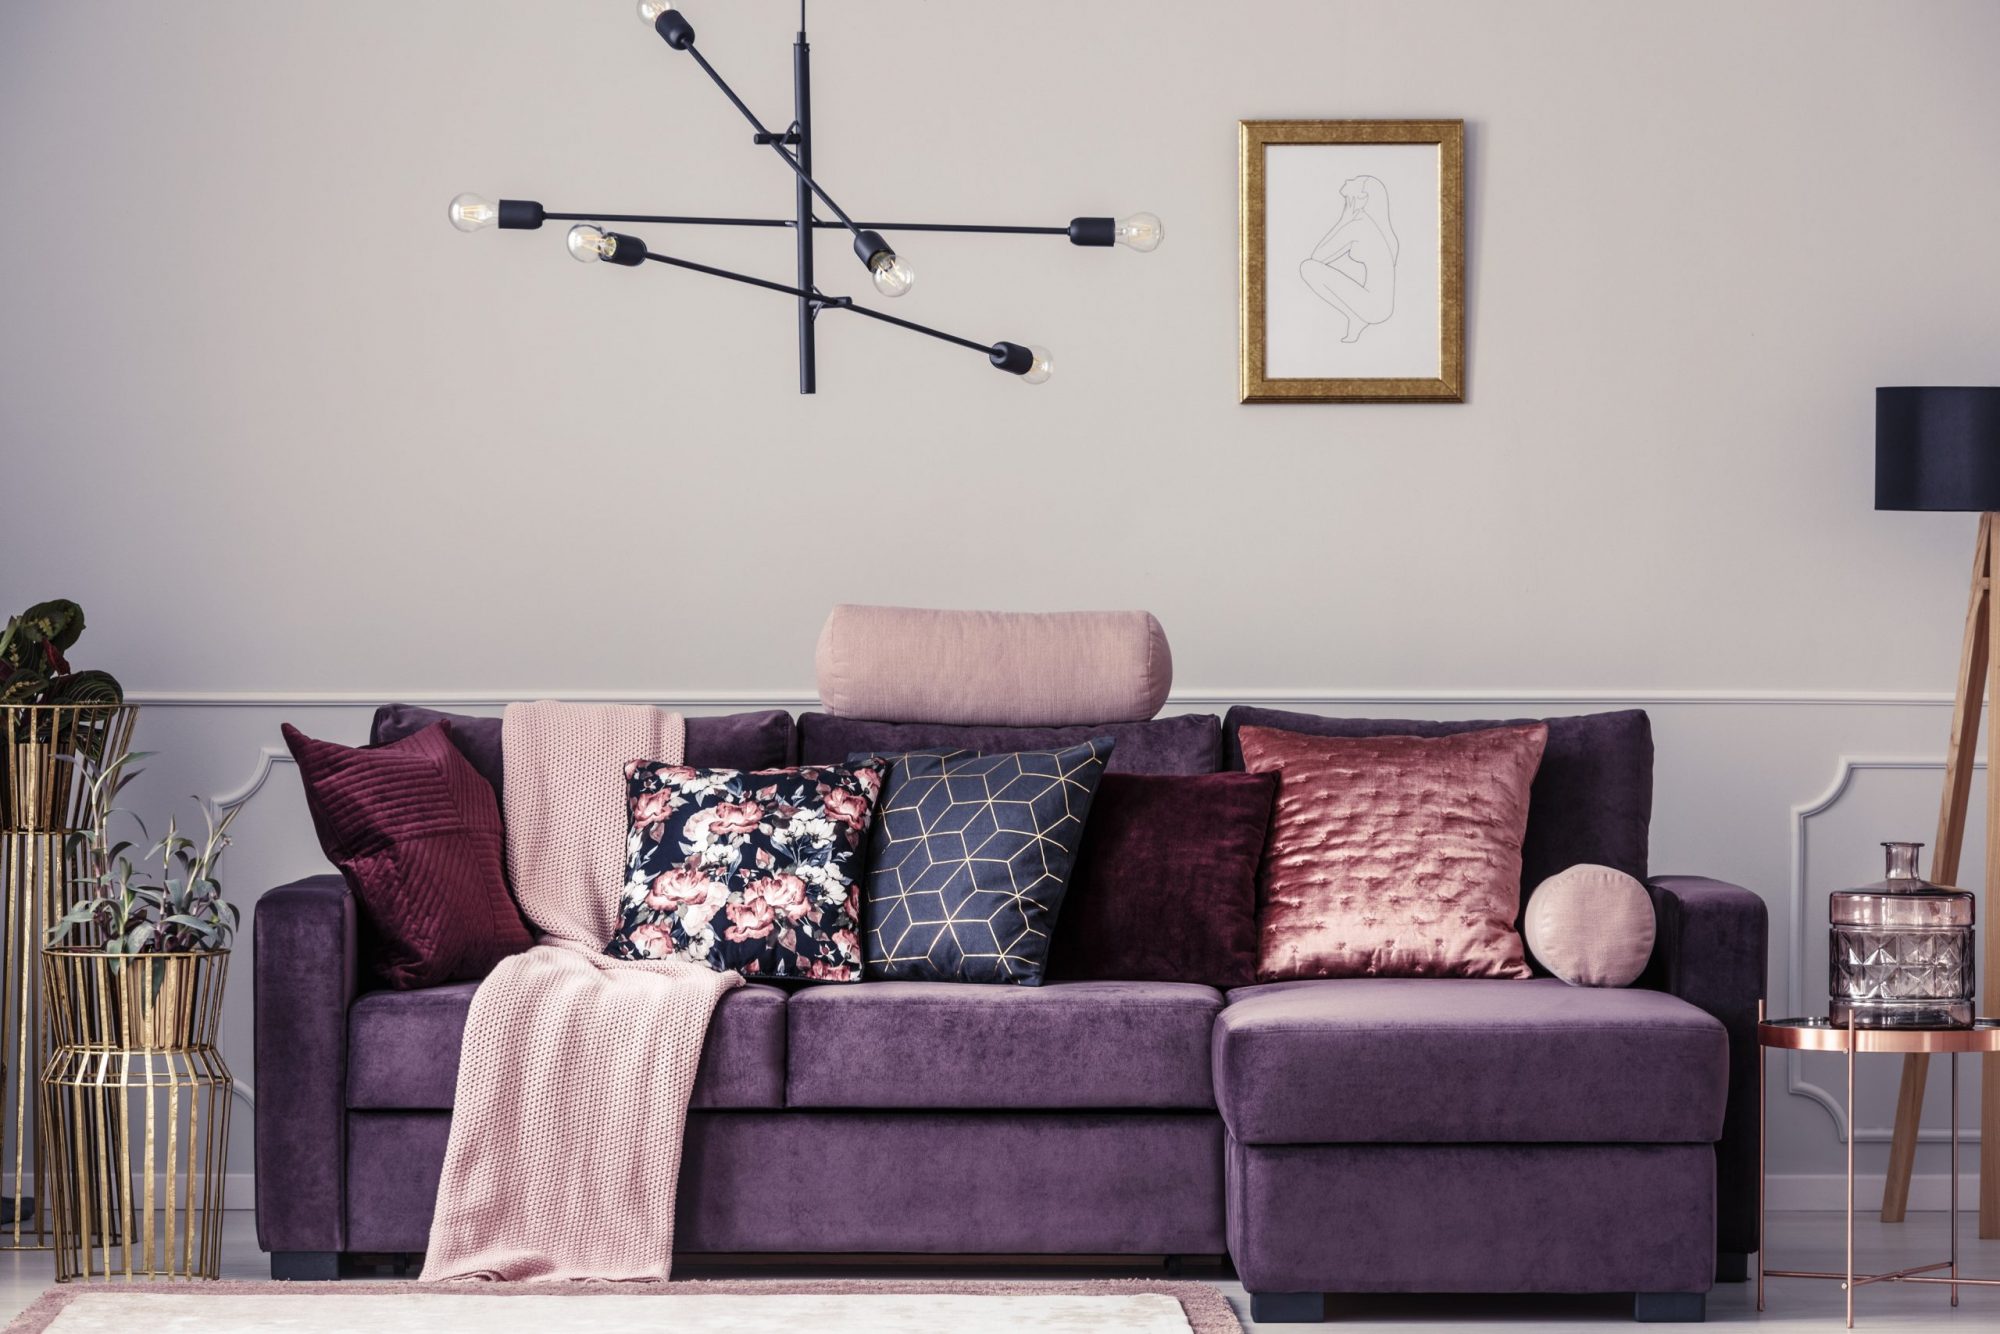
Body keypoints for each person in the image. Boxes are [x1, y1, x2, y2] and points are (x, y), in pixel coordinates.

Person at [1299, 174, 1398, 343]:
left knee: (1308, 267)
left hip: (1374, 306)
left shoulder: (1358, 226)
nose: (1347, 180)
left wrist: (1343, 220)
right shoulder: (1371, 225)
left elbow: (1317, 258)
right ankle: (1356, 318)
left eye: (1355, 182)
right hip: (1381, 305)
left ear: (1362, 197)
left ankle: (1356, 317)